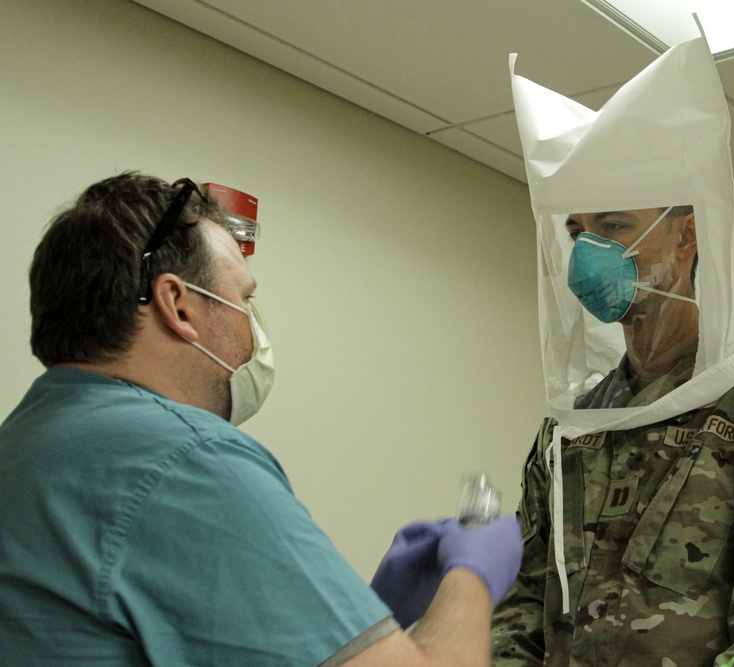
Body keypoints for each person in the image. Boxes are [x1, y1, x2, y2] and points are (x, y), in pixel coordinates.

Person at [0, 172, 523, 666]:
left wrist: (352, 618)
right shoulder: (186, 461)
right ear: (178, 306)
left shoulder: (26, 447)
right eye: (244, 299)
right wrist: (470, 577)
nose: (251, 333)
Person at [490, 205, 734, 666]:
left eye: (611, 226)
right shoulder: (575, 427)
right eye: (576, 234)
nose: (587, 255)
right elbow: (521, 609)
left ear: (686, 236)